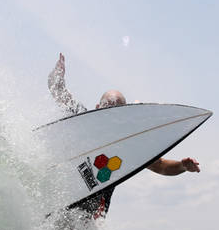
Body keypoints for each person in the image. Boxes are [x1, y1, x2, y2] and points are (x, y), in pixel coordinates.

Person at [48, 53, 200, 219]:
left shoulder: (129, 144)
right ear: (97, 107)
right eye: (107, 108)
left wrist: (182, 166)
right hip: (59, 200)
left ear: (124, 113)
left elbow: (162, 166)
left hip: (90, 218)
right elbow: (57, 90)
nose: (110, 114)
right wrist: (56, 77)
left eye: (116, 111)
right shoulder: (83, 119)